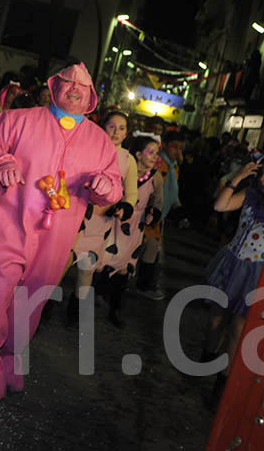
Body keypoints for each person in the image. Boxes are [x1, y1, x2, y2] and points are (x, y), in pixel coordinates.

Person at [0, 63, 125, 405]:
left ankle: (10, 358)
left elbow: (114, 186)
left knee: (33, 296)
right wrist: (1, 163)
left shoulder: (100, 142)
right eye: (68, 83)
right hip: (10, 219)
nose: (74, 89)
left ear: (92, 97)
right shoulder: (17, 120)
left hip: (57, 235)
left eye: (82, 86)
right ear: (54, 87)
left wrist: (105, 187)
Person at [203, 148, 264, 407]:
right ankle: (206, 357)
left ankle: (221, 384)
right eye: (262, 175)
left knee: (237, 328)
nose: (263, 181)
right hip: (230, 264)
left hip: (255, 271)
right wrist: (238, 176)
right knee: (215, 318)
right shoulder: (249, 195)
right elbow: (220, 204)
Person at [67, 111, 138, 327]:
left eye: (122, 128)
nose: (116, 132)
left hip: (101, 223)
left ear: (127, 133)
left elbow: (131, 193)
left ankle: (74, 315)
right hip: (75, 218)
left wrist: (125, 207)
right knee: (58, 266)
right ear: (102, 127)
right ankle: (39, 309)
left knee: (86, 272)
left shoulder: (128, 159)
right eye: (112, 126)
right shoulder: (89, 148)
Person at [91, 133, 164, 327]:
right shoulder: (123, 168)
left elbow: (158, 201)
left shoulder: (156, 178)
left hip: (134, 227)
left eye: (156, 153)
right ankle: (94, 297)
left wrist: (153, 213)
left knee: (125, 267)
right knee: (103, 260)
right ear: (138, 154)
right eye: (151, 152)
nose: (155, 157)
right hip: (115, 221)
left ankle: (115, 309)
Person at [137, 129, 185, 301]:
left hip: (160, 215)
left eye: (180, 148)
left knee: (151, 248)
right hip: (148, 214)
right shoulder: (158, 164)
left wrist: (176, 204)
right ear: (164, 145)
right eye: (174, 147)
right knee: (141, 247)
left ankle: (143, 283)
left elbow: (172, 189)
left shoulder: (173, 166)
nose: (178, 151)